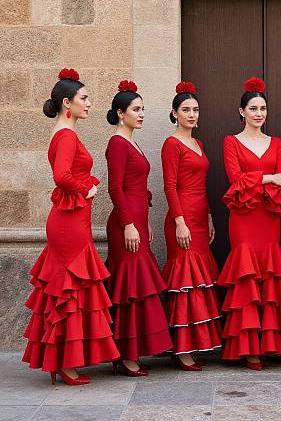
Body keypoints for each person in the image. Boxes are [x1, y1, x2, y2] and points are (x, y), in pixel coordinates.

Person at [22, 68, 119, 385]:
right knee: (69, 287)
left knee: (69, 287)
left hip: (71, 219)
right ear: (68, 103)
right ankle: (64, 363)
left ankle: (63, 361)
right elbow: (61, 176)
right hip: (68, 222)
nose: (89, 103)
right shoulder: (66, 135)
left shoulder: (65, 132)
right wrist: (86, 187)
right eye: (84, 98)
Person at [217, 77, 281, 370]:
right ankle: (248, 348)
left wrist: (262, 183)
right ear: (242, 112)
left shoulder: (276, 143)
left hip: (269, 216)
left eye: (263, 108)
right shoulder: (231, 142)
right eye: (253, 108)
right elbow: (234, 179)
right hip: (243, 218)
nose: (259, 113)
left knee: (268, 273)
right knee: (247, 275)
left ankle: (269, 344)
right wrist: (266, 178)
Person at [105, 79, 172, 377]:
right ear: (121, 113)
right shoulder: (117, 143)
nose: (142, 113)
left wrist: (143, 223)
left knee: (136, 287)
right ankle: (125, 356)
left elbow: (136, 187)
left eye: (143, 108)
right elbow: (115, 189)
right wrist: (129, 224)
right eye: (136, 109)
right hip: (125, 225)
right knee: (129, 289)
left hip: (137, 222)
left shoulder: (132, 140)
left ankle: (129, 353)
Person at [161, 81, 222, 371]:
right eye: (186, 110)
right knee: (184, 280)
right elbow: (170, 187)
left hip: (200, 215)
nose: (192, 114)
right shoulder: (170, 144)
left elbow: (202, 185)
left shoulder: (199, 143)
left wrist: (208, 216)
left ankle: (194, 344)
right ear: (174, 114)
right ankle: (182, 350)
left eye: (195, 110)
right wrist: (180, 222)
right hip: (182, 218)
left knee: (198, 281)